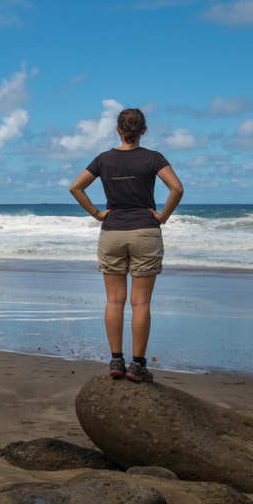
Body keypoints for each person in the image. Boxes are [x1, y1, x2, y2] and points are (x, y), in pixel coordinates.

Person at [69, 108, 184, 382]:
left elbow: (76, 187)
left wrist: (98, 214)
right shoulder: (153, 158)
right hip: (145, 231)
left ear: (118, 130)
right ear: (144, 130)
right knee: (140, 302)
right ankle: (138, 365)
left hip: (112, 233)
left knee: (114, 300)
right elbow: (177, 189)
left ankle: (116, 361)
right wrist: (163, 216)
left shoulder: (104, 159)